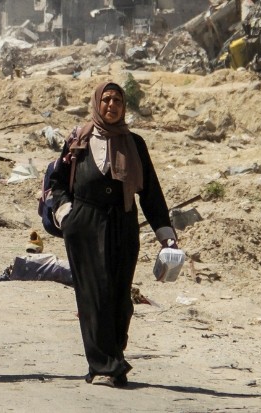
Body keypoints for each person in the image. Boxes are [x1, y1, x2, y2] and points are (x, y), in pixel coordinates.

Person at [48, 82, 180, 388]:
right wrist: (66, 214)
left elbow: (151, 194)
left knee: (120, 297)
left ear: (124, 106)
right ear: (97, 103)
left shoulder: (134, 143)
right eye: (105, 99)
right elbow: (56, 182)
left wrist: (166, 235)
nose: (111, 105)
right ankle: (103, 365)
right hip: (84, 223)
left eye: (117, 100)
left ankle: (113, 353)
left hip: (123, 222)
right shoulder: (78, 140)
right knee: (94, 295)